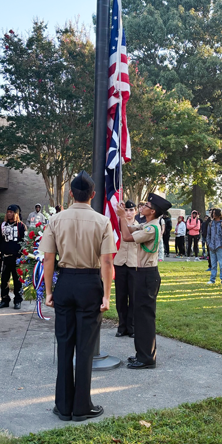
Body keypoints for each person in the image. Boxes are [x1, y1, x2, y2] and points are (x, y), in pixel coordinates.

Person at [41, 171, 117, 420]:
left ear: (71, 193)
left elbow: (48, 258)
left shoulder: (56, 220)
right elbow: (107, 261)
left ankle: (63, 406)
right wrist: (106, 295)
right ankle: (82, 406)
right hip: (90, 283)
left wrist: (49, 291)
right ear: (93, 195)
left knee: (65, 345)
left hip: (65, 281)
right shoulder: (102, 221)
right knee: (85, 349)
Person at [119, 192, 172, 369]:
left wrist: (120, 217)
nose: (143, 208)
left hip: (147, 274)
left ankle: (147, 358)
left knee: (145, 317)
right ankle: (141, 354)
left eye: (147, 206)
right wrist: (122, 218)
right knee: (140, 316)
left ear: (153, 211)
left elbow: (127, 238)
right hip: (143, 273)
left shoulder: (152, 228)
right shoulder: (147, 225)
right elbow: (128, 229)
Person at [113, 201, 138, 338]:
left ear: (135, 212)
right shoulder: (117, 226)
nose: (128, 213)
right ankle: (122, 326)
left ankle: (132, 326)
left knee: (133, 296)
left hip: (134, 263)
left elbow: (130, 237)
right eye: (126, 210)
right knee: (121, 296)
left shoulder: (140, 226)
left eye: (130, 210)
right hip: (120, 262)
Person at [0, 204, 26, 309]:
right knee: (4, 281)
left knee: (17, 281)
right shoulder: (2, 225)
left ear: (16, 214)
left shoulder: (21, 226)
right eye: (8, 212)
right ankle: (4, 300)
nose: (9, 214)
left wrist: (21, 256)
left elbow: (25, 243)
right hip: (5, 258)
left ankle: (18, 300)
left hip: (17, 259)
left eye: (11, 212)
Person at [206, 208, 222, 286]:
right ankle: (212, 279)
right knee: (213, 264)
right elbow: (208, 235)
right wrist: (209, 243)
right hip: (212, 246)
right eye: (212, 213)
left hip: (220, 246)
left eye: (214, 213)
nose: (212, 214)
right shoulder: (210, 224)